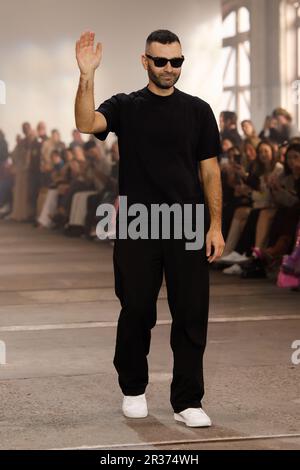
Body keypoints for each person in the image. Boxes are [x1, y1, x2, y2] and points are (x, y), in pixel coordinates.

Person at [75, 29, 224, 428]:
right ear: (145, 61)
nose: (169, 69)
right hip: (138, 224)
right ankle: (133, 389)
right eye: (160, 61)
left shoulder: (198, 111)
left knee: (192, 314)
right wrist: (87, 76)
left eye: (176, 62)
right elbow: (87, 122)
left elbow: (210, 172)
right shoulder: (126, 106)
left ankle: (188, 400)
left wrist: (216, 226)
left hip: (188, 224)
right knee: (137, 310)